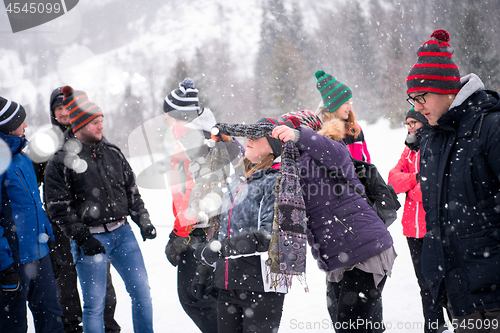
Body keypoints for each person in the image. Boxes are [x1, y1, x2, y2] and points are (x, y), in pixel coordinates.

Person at [406, 29, 500, 332]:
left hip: (493, 292)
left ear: (447, 90)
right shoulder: (432, 138)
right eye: (412, 99)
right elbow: (438, 217)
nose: (416, 107)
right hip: (457, 293)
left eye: (421, 97)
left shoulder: (491, 127)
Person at [271, 109, 396, 333]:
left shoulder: (332, 150)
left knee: (350, 326)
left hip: (365, 251)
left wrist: (299, 135)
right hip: (338, 259)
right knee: (359, 326)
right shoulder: (290, 167)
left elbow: (327, 149)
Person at [44, 86, 157, 333]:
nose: (101, 126)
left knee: (142, 294)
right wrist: (83, 239)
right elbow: (57, 208)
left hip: (123, 234)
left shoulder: (113, 153)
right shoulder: (61, 161)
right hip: (92, 238)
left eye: (102, 120)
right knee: (94, 306)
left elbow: (131, 192)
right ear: (80, 125)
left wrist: (143, 220)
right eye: (95, 122)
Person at [193, 116, 305, 333]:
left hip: (262, 287)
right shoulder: (238, 178)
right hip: (228, 284)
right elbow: (221, 228)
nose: (249, 139)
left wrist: (219, 250)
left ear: (274, 145)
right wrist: (205, 269)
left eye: (258, 135)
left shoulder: (279, 180)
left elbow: (267, 237)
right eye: (250, 133)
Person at [34, 87, 121, 333]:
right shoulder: (46, 142)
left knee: (100, 275)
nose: (63, 113)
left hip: (92, 220)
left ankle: (108, 324)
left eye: (66, 107)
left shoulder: (88, 136)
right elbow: (34, 181)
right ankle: (72, 326)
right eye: (58, 109)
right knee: (65, 276)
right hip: (61, 223)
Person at [162, 78, 222, 333]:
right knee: (210, 297)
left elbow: (192, 197)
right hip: (209, 231)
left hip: (199, 232)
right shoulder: (203, 138)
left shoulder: (191, 144)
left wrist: (179, 235)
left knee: (194, 298)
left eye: (169, 117)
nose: (166, 122)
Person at [0, 96, 64, 333]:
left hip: (39, 253)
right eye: (21, 121)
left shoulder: (24, 158)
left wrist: (50, 241)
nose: (26, 126)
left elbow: (35, 206)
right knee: (13, 325)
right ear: (7, 126)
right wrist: (4, 265)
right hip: (13, 260)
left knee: (53, 319)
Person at [388, 108, 449, 333]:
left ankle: (461, 325)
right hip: (411, 229)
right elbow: (393, 179)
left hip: (433, 227)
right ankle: (434, 328)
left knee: (443, 283)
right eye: (407, 123)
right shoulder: (409, 150)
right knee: (424, 285)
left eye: (414, 122)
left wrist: (413, 188)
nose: (410, 127)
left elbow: (431, 189)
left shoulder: (435, 147)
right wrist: (414, 178)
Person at [314, 70, 371, 162]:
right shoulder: (322, 133)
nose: (350, 106)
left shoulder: (355, 129)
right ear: (333, 107)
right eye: (346, 103)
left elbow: (366, 162)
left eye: (350, 102)